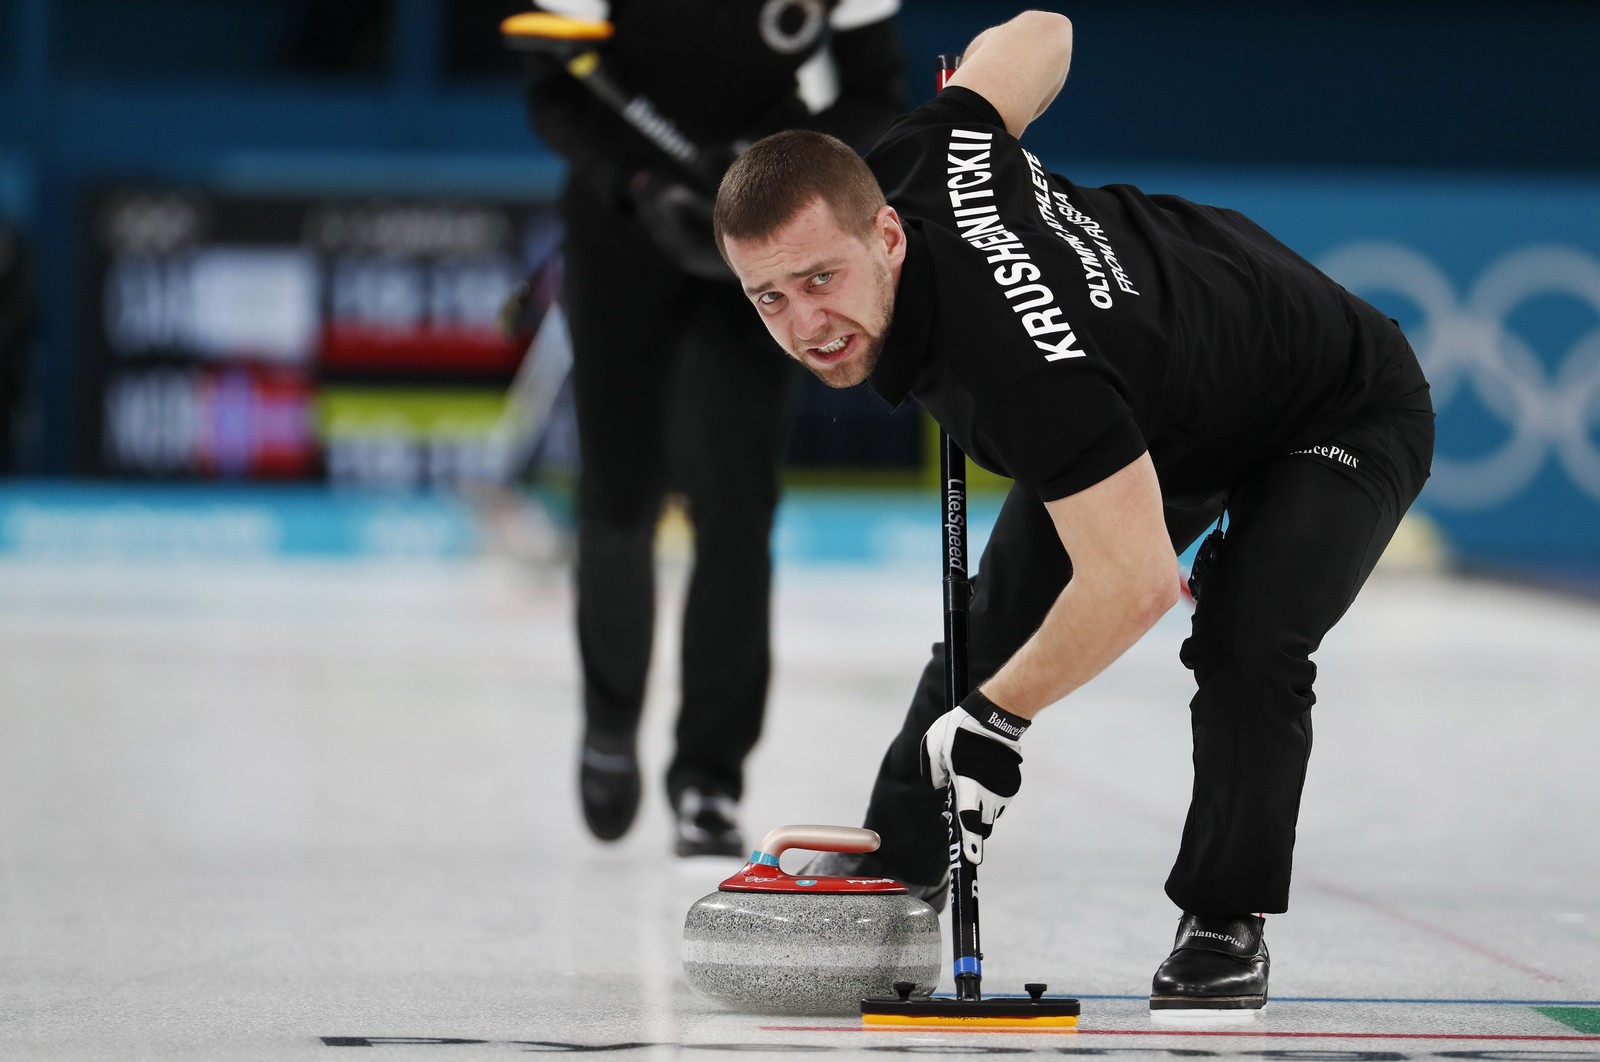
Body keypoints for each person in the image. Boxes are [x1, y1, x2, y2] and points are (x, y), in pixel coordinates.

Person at [713, 9, 1433, 1009]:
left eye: (822, 280)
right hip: (1156, 393)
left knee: (1249, 631)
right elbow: (1043, 30)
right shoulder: (933, 148)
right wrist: (971, 84)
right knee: (992, 621)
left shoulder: (1021, 372)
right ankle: (892, 866)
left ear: (886, 235)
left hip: (1332, 402)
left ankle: (1224, 917)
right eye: (770, 298)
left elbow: (1135, 584)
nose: (807, 326)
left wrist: (999, 722)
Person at [518, 0, 906, 856]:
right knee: (618, 495)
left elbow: (876, 87)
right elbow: (552, 89)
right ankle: (610, 725)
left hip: (766, 245)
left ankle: (708, 781)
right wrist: (642, 186)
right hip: (624, 237)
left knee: (736, 509)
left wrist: (772, 173)